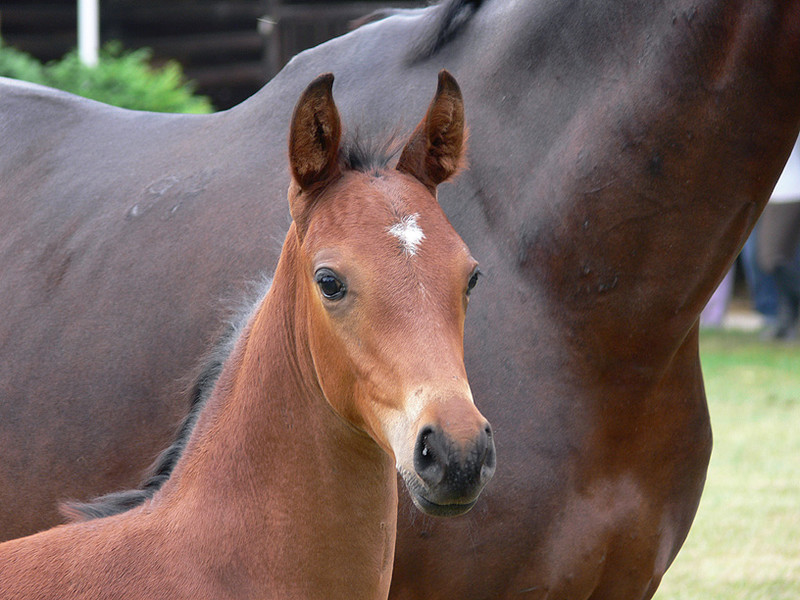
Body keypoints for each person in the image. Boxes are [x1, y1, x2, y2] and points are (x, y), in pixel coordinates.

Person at [757, 137, 800, 340]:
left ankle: (786, 322)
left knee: (771, 258)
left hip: (787, 191)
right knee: (785, 258)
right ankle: (786, 323)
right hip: (783, 190)